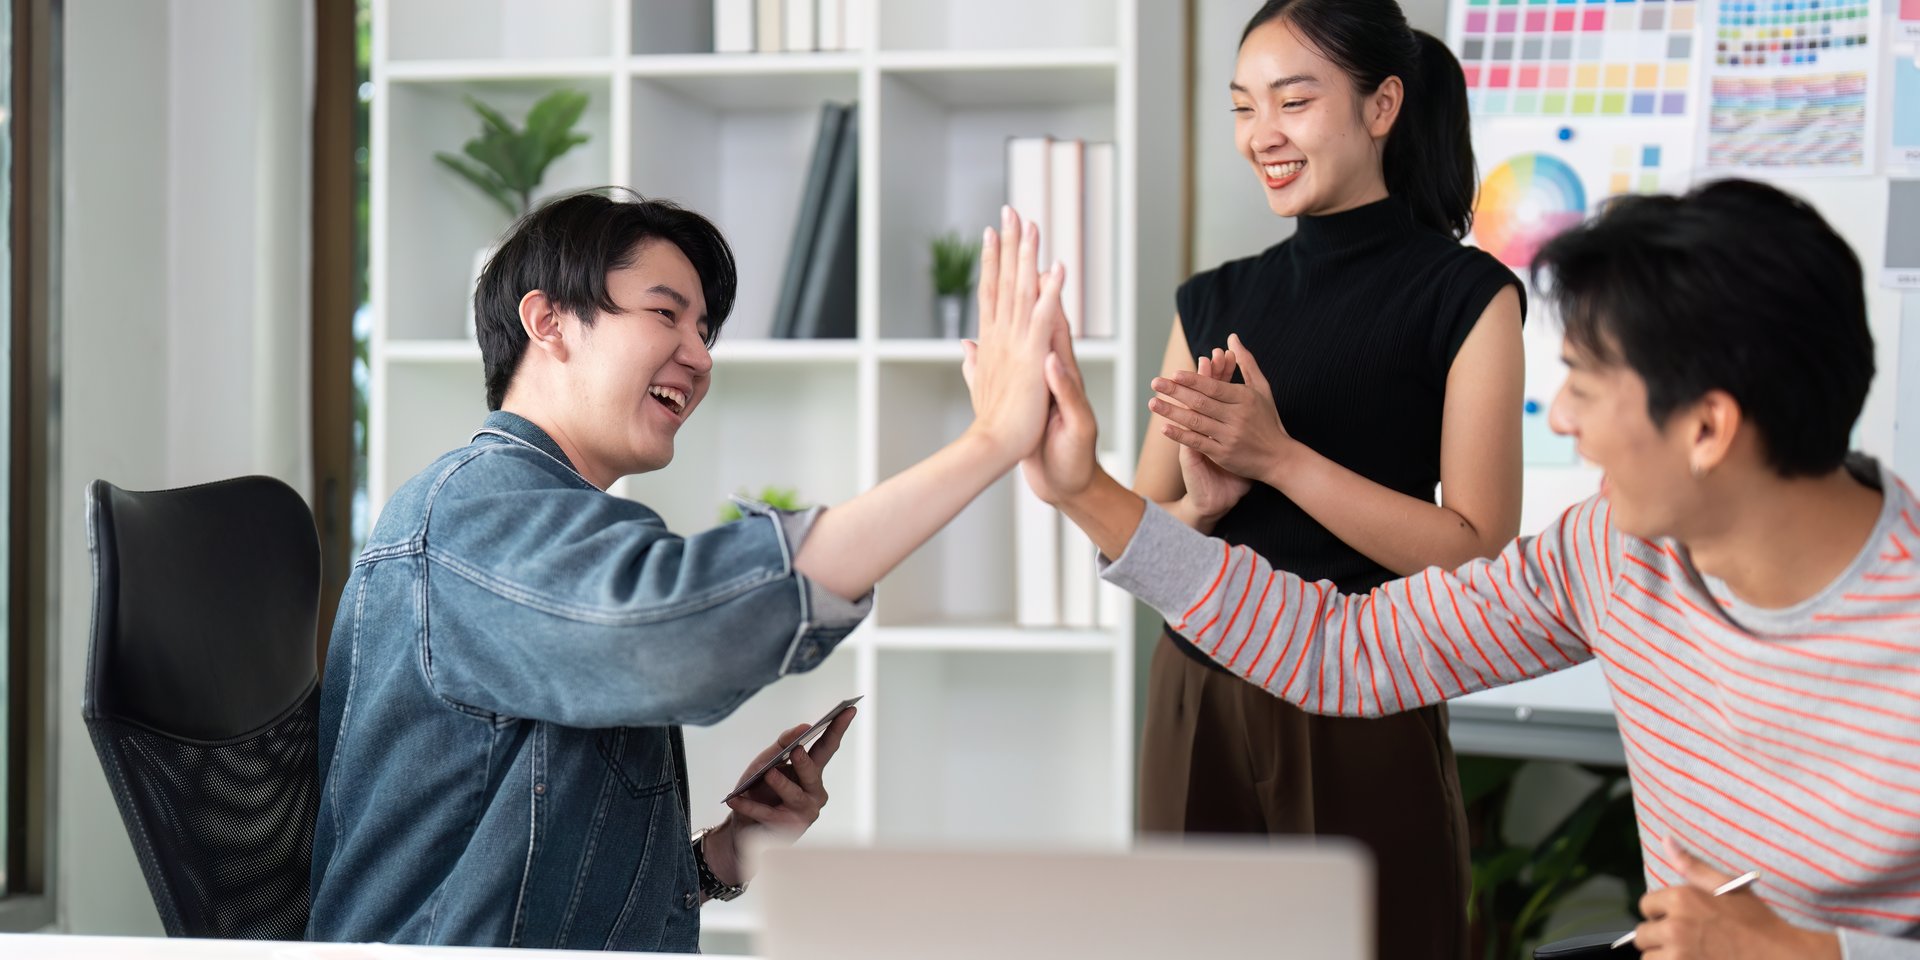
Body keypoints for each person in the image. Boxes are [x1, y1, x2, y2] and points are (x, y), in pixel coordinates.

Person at [1022, 179, 1919, 958]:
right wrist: (1085, 493)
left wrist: (1819, 955)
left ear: (1708, 428)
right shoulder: (1614, 552)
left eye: (1585, 383)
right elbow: (1347, 649)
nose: (1562, 418)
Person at [307, 194, 1067, 951]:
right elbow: (680, 633)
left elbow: (534, 874)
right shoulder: (475, 515)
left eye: (704, 330)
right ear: (548, 322)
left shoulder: (547, 522)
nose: (701, 357)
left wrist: (725, 855)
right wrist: (993, 440)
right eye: (666, 315)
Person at [1130, 0, 1525, 954]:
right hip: (1196, 687)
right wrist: (1207, 502)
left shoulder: (1468, 296)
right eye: (1242, 107)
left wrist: (1281, 461)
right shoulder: (1213, 298)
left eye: (1294, 101)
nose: (1262, 134)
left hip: (1366, 696)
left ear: (1383, 104)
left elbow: (1478, 548)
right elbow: (1141, 527)